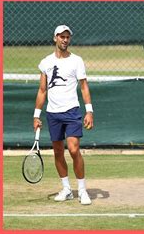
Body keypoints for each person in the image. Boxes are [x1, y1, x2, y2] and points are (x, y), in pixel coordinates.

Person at [33, 25, 94, 205]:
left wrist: (89, 111)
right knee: (58, 151)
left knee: (74, 149)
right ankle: (67, 189)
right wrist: (37, 115)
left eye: (67, 37)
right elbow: (42, 90)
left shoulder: (77, 61)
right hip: (53, 113)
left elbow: (84, 87)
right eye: (62, 37)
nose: (65, 40)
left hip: (72, 111)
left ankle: (82, 190)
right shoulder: (45, 62)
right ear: (55, 38)